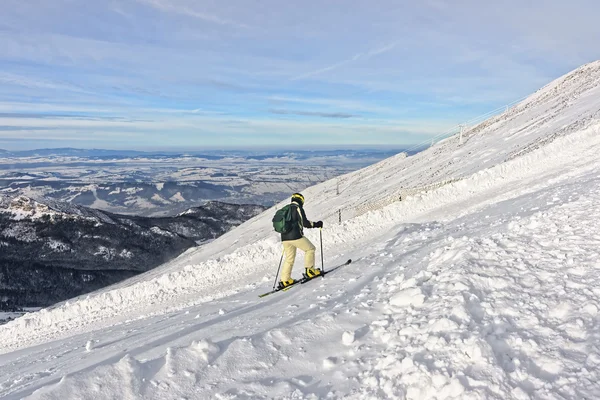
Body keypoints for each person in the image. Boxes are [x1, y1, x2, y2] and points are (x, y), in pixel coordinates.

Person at [278, 193, 323, 289]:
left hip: (284, 238)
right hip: (295, 236)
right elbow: (305, 223)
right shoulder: (297, 208)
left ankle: (285, 280)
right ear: (301, 200)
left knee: (289, 258)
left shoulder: (286, 209)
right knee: (310, 249)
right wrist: (316, 224)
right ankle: (310, 271)